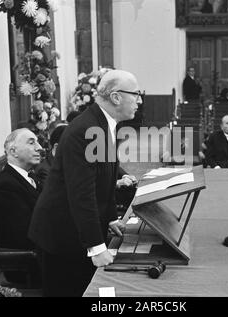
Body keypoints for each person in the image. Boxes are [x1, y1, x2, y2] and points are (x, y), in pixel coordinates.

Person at [28, 70, 142, 297]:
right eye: (136, 94)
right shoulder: (87, 129)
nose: (139, 100)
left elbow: (106, 179)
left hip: (75, 230)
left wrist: (110, 217)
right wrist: (97, 247)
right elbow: (82, 194)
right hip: (62, 237)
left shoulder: (103, 123)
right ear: (116, 97)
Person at [0, 129, 43, 251]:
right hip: (28, 258)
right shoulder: (6, 185)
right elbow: (22, 235)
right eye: (31, 143)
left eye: (37, 142)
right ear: (13, 151)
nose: (39, 147)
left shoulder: (31, 176)